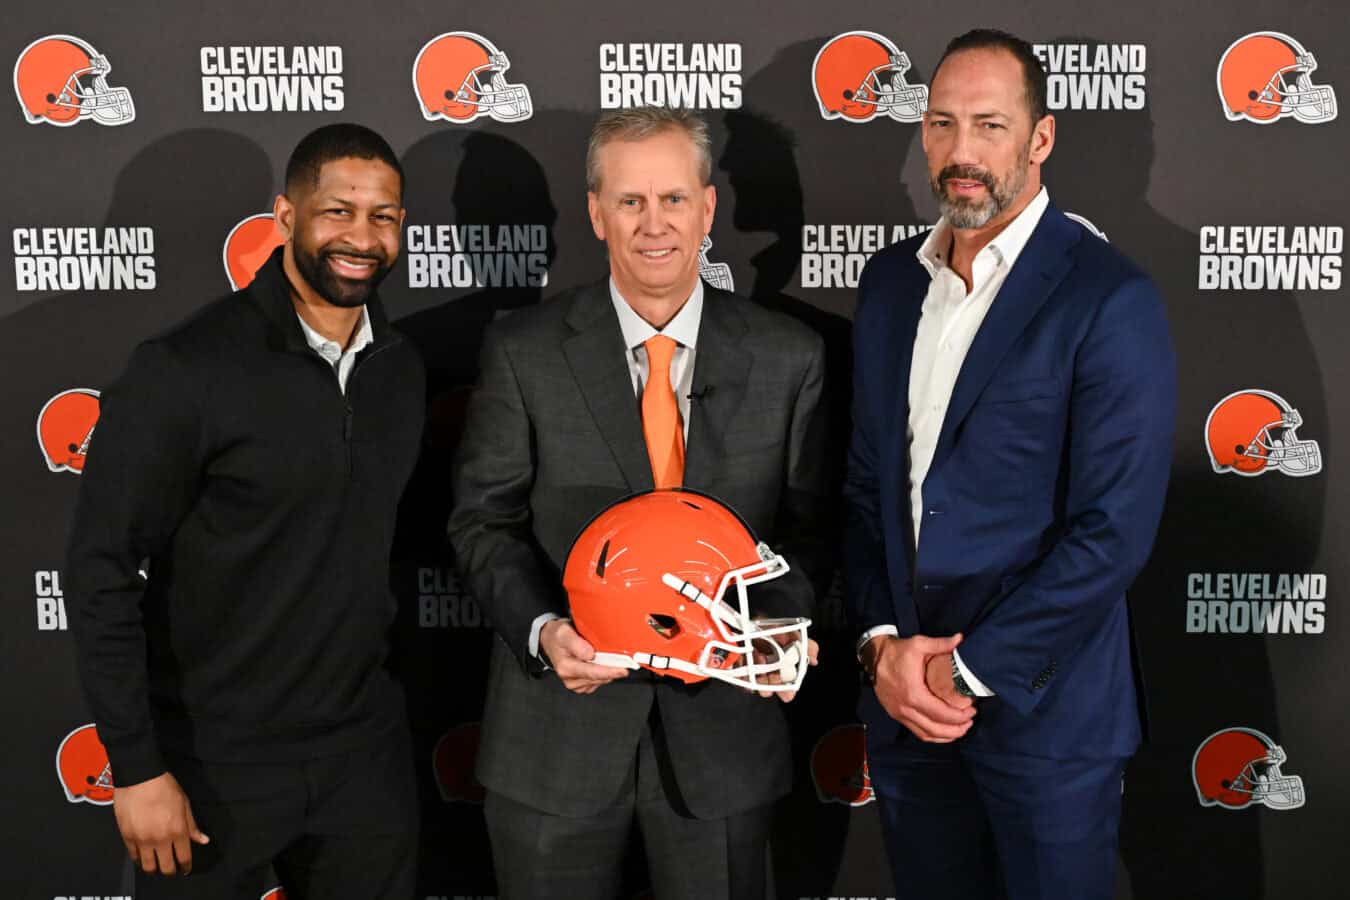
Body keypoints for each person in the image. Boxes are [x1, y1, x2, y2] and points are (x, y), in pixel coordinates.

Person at [448, 106, 829, 900]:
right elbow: (483, 520)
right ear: (597, 213)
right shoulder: (524, 352)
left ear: (708, 208)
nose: (655, 224)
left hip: (723, 743)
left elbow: (812, 530)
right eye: (630, 201)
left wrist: (774, 628)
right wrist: (543, 630)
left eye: (673, 199)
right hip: (555, 737)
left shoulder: (788, 356)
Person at [844, 29, 1176, 900]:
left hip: (1048, 718)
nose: (963, 152)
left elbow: (1113, 532)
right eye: (943, 124)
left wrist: (962, 669)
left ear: (1041, 138)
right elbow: (870, 490)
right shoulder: (890, 284)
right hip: (907, 711)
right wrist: (882, 648)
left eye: (990, 125)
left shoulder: (1108, 296)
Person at [66, 123, 424, 900]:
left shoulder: (401, 368)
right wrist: (137, 766)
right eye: (337, 211)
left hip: (361, 760)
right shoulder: (185, 368)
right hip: (210, 762)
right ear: (285, 217)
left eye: (383, 216)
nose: (361, 237)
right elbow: (99, 570)